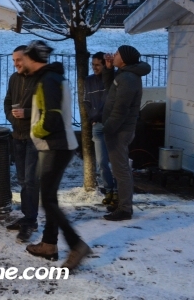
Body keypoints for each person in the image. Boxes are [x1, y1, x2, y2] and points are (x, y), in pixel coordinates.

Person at [22, 40, 92, 270]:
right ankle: (49, 244)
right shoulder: (54, 77)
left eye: (23, 59)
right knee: (49, 198)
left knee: (49, 201)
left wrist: (36, 131)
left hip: (56, 145)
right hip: (59, 145)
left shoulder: (47, 81)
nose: (21, 63)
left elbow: (51, 117)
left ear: (33, 59)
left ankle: (76, 245)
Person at [102, 45, 151, 221]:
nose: (113, 55)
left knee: (121, 170)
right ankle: (123, 204)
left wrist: (107, 128)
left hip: (119, 131)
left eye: (116, 54)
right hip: (117, 129)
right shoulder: (124, 75)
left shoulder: (129, 78)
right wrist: (108, 70)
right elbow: (111, 93)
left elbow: (120, 109)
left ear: (124, 59)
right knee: (119, 169)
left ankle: (125, 209)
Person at [3, 45, 41, 242]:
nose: (16, 64)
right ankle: (28, 216)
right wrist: (13, 118)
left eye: (19, 60)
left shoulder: (40, 80)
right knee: (22, 178)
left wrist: (27, 114)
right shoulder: (14, 79)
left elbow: (48, 109)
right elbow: (7, 101)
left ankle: (31, 219)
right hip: (17, 135)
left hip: (34, 137)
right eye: (14, 61)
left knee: (31, 180)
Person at [83, 51, 117, 207]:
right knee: (102, 161)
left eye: (97, 64)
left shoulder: (112, 79)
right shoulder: (89, 81)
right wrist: (92, 118)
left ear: (105, 64)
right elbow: (86, 102)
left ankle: (118, 191)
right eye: (93, 64)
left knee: (117, 160)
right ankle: (109, 189)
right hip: (97, 125)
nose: (94, 67)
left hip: (111, 123)